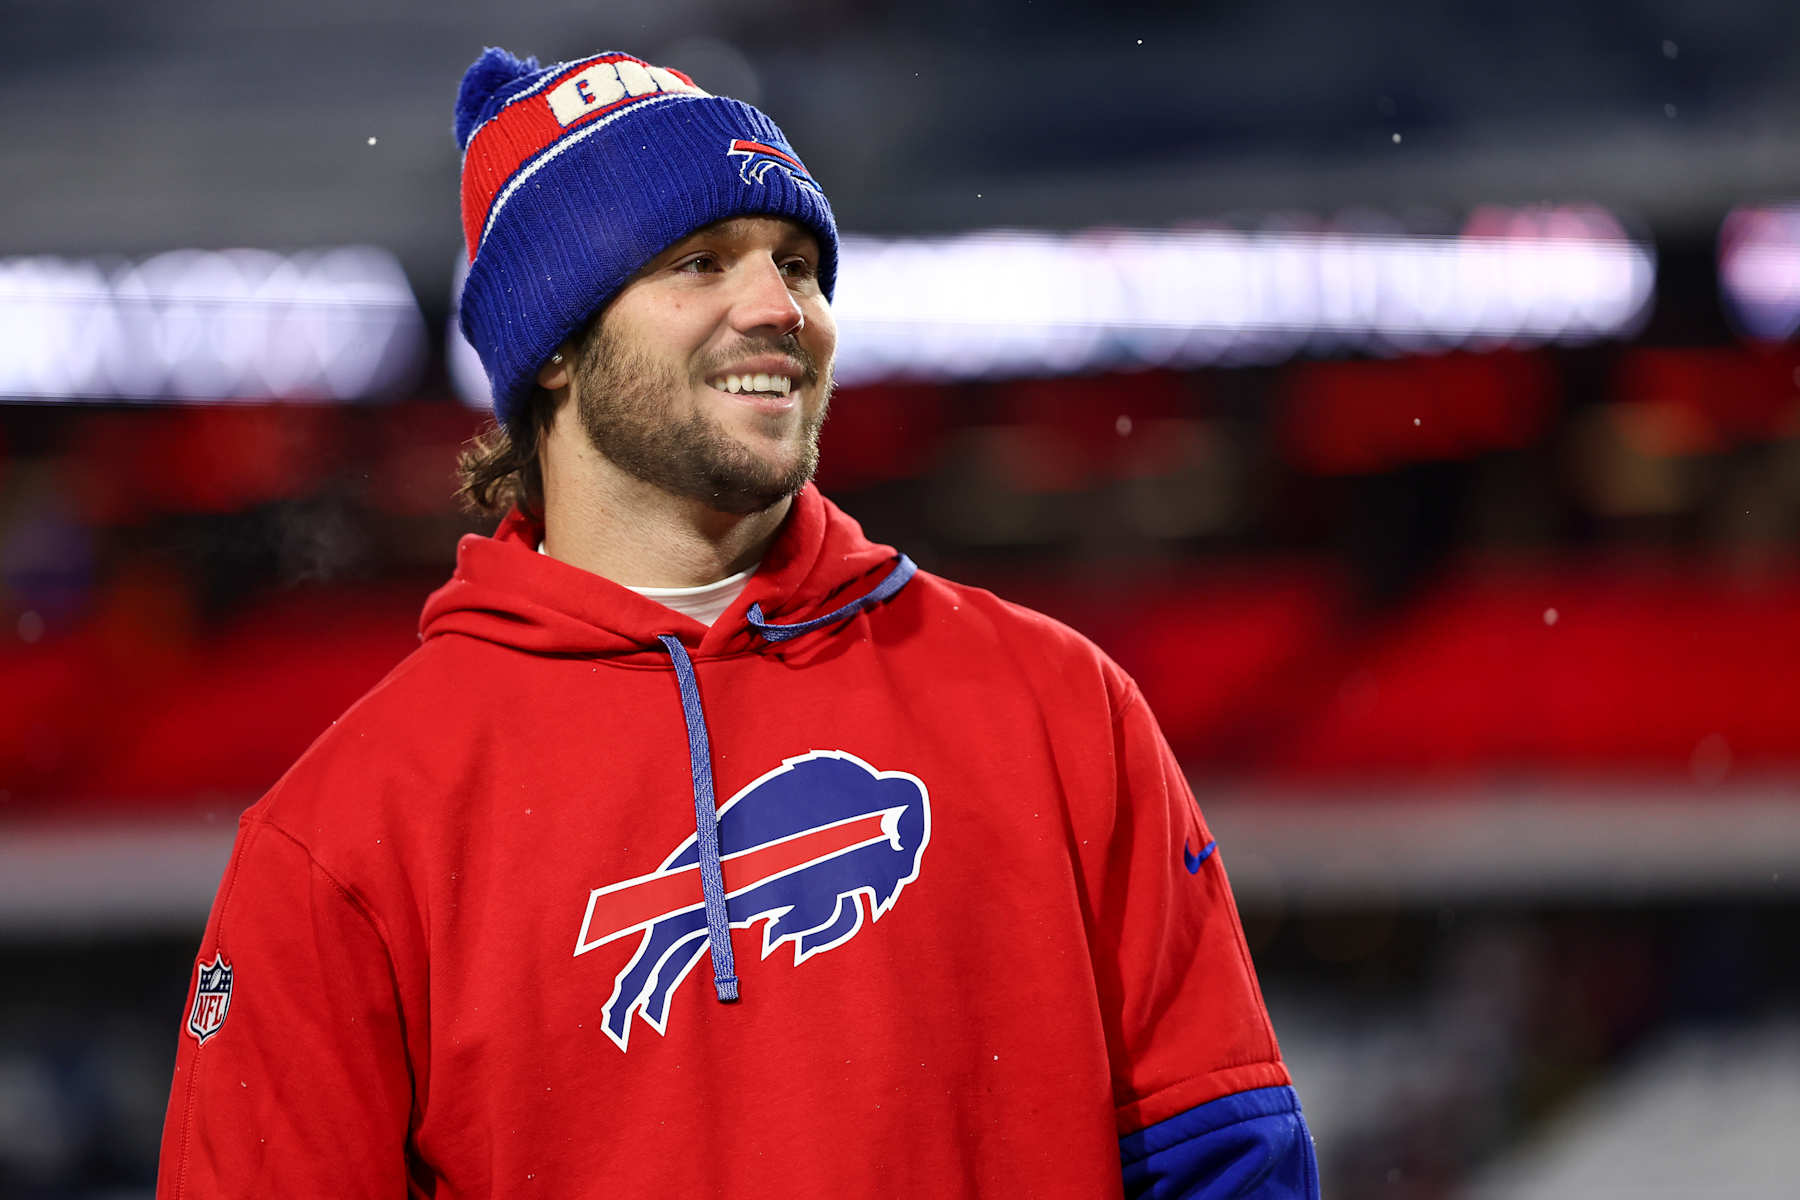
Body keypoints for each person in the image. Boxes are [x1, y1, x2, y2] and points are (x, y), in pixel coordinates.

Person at [156, 46, 1319, 1199]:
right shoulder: (342, 834)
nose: (781, 309)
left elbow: (1227, 1159)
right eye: (702, 263)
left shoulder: (1059, 707)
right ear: (554, 342)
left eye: (802, 267)